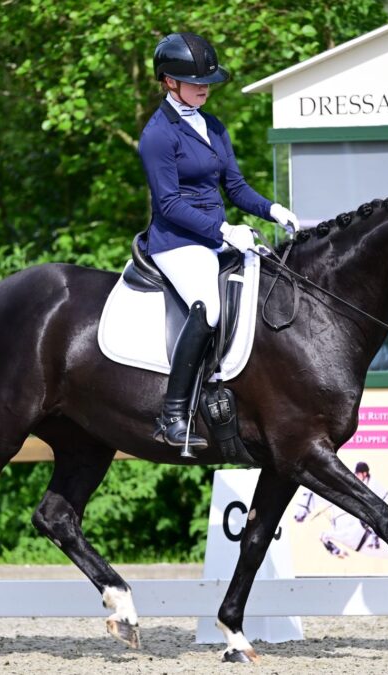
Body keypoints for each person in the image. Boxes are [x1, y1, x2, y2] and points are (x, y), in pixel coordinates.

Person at [138, 32, 299, 453]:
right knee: (208, 306)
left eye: (208, 79)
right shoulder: (157, 135)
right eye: (195, 80)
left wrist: (272, 209)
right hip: (177, 241)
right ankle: (172, 414)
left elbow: (236, 187)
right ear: (169, 82)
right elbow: (169, 204)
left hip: (212, 237)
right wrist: (224, 232)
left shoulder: (212, 125)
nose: (205, 85)